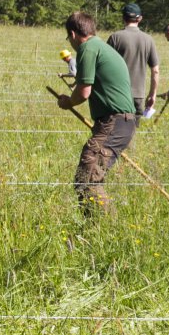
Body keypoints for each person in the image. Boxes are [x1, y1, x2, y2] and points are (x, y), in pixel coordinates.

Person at [56, 11, 136, 215]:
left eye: (68, 38)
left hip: (114, 121)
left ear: (73, 34)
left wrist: (68, 102)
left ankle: (106, 225)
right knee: (88, 176)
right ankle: (93, 224)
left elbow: (84, 92)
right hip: (120, 122)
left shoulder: (87, 48)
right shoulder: (102, 47)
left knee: (87, 177)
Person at [106, 2, 160, 119]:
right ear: (139, 19)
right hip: (138, 95)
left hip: (118, 93)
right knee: (133, 128)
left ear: (123, 17)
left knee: (116, 127)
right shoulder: (148, 40)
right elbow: (155, 71)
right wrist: (152, 94)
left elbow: (105, 67)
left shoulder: (115, 37)